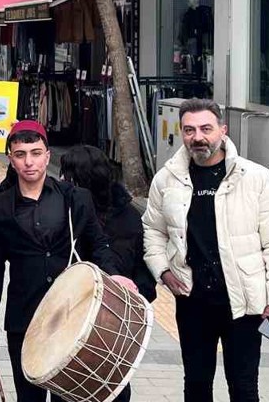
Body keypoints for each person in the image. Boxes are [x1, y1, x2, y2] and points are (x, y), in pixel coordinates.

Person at [142, 99, 269, 402]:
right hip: (192, 301)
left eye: (205, 129)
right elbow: (152, 230)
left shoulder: (256, 179)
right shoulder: (167, 179)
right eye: (189, 130)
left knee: (243, 386)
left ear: (222, 131)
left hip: (243, 303)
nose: (197, 137)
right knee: (197, 384)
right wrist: (162, 270)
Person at [0, 120, 137, 402]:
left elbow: (98, 244)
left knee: (70, 396)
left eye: (36, 153)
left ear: (48, 155)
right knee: (29, 397)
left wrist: (114, 276)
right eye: (20, 154)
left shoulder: (76, 198)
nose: (29, 162)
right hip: (24, 318)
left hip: (70, 312)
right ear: (11, 160)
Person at [58, 145, 158, 402]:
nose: (61, 180)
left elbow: (143, 275)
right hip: (71, 319)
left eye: (66, 175)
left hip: (112, 326)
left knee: (110, 389)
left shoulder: (127, 217)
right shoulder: (67, 211)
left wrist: (131, 299)